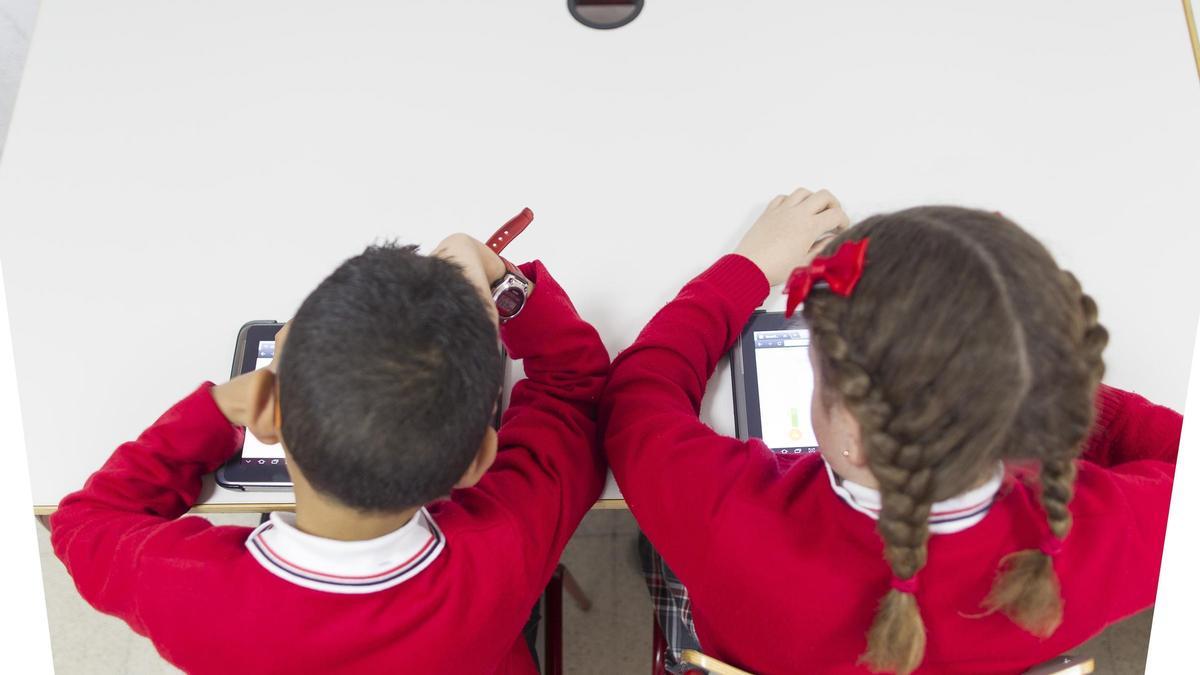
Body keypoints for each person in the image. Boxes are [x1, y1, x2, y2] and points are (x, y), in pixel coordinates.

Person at [602, 189, 1182, 674]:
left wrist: (747, 268)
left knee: (662, 542)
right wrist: (1008, 371)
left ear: (848, 425)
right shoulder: (1110, 534)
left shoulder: (724, 520)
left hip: (739, 605)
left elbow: (637, 396)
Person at [50, 233, 610, 674]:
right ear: (477, 459)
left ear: (268, 412)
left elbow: (84, 522)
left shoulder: (187, 593)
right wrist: (500, 280)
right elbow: (574, 389)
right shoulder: (505, 543)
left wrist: (214, 411)